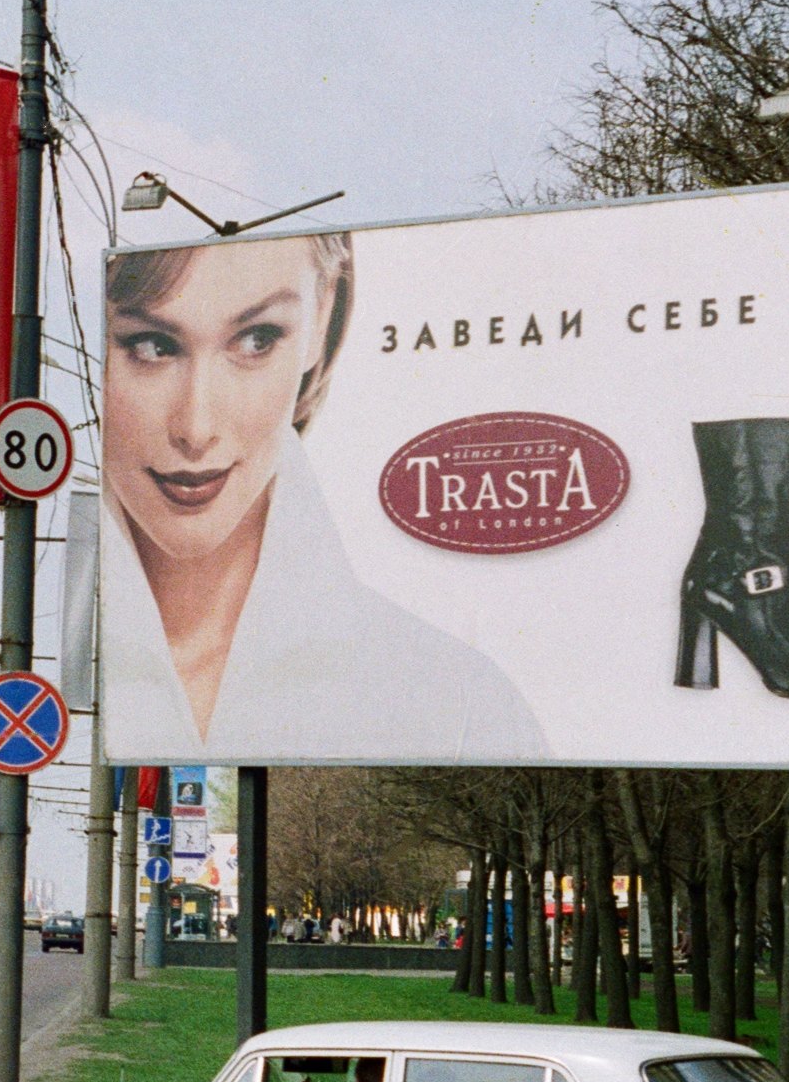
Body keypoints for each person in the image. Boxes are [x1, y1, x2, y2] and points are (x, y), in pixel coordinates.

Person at [98, 233, 546, 760]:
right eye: (151, 346)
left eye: (256, 340)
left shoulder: (459, 707)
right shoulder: (49, 668)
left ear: (324, 315)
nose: (195, 429)